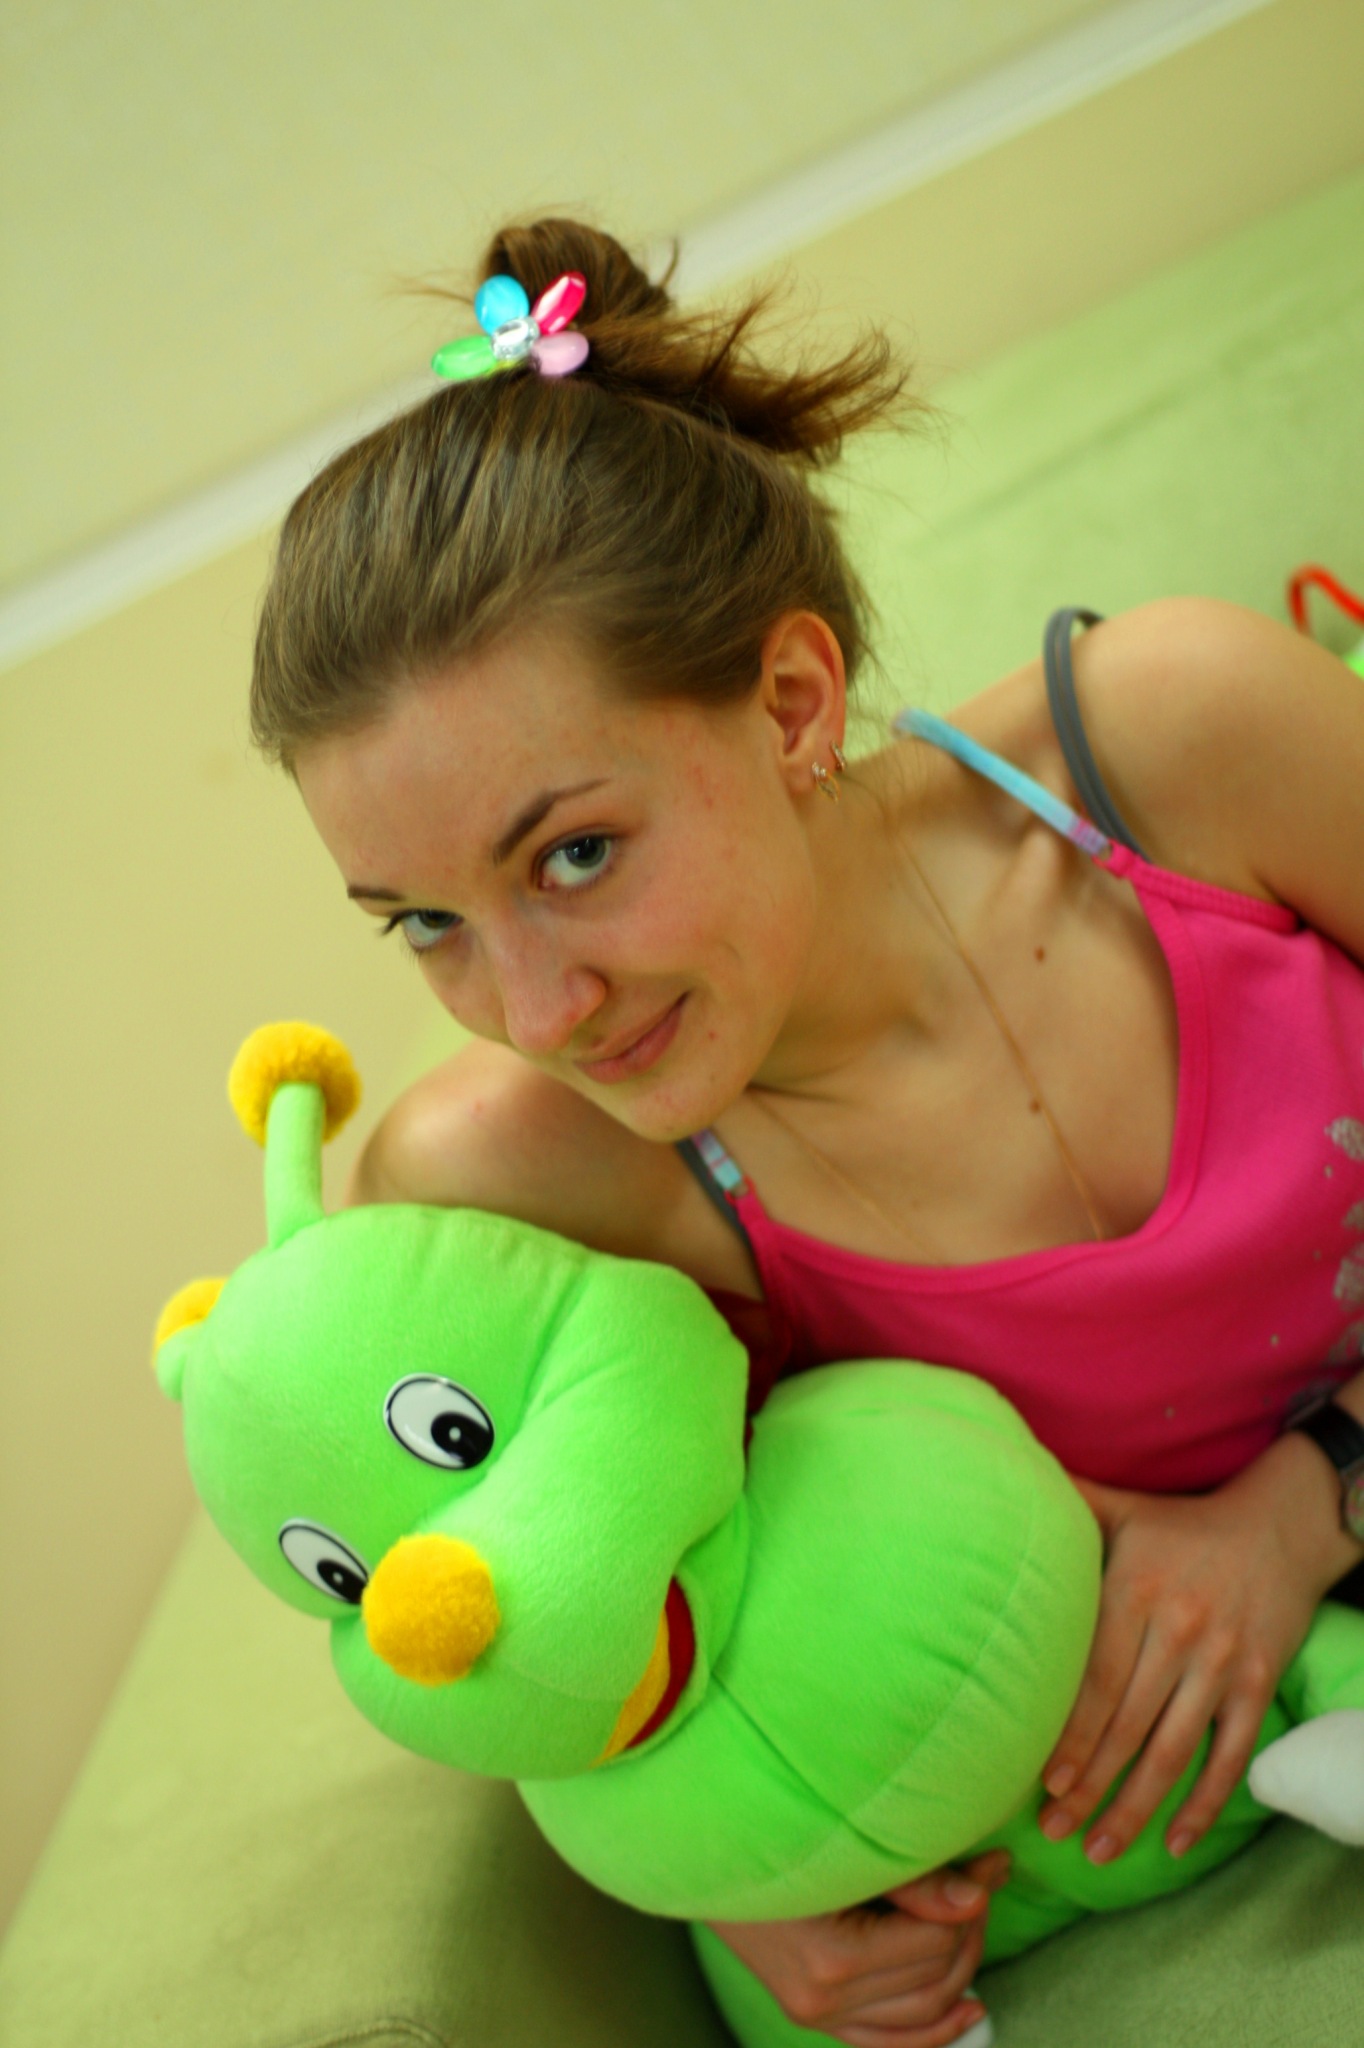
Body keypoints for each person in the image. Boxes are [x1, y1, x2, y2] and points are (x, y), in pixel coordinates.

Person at [249, 218, 1364, 2048]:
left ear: (792, 703)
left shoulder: (1181, 742)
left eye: (575, 855)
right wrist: (730, 1871)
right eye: (425, 922)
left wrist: (1299, 1508)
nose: (537, 1009)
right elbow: (533, 1617)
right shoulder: (516, 1182)